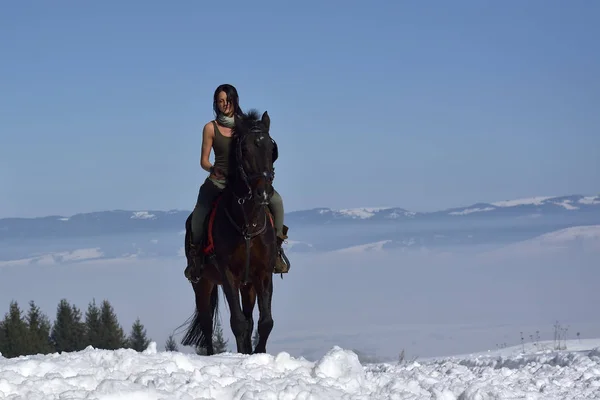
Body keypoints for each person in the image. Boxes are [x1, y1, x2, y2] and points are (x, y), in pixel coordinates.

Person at [185, 84, 289, 280]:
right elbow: (204, 161)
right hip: (218, 180)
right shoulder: (210, 128)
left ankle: (275, 251)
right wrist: (212, 169)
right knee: (199, 213)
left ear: (235, 101)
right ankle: (196, 256)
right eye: (220, 101)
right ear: (216, 103)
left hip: (244, 181)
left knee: (277, 202)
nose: (225, 105)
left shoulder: (245, 125)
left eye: (228, 101)